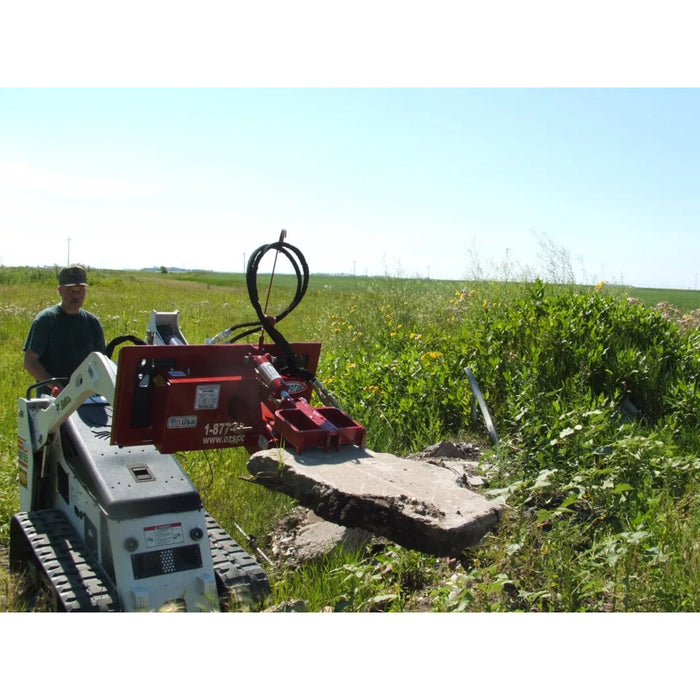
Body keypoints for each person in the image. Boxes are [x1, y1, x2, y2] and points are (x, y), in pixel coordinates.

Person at [23, 265, 106, 393]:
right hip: (52, 400)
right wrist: (54, 385)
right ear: (60, 290)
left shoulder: (92, 323)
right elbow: (30, 362)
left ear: (86, 291)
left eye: (80, 290)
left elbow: (100, 362)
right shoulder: (46, 320)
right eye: (70, 291)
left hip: (86, 396)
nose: (76, 296)